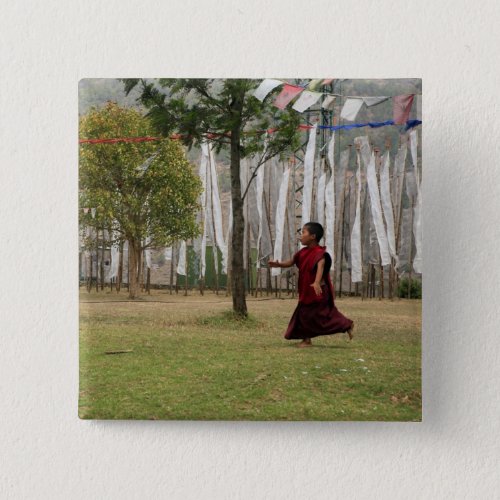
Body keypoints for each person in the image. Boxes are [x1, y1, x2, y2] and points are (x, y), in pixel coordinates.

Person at [269, 222, 354, 348]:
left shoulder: (319, 252)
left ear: (313, 236)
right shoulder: (302, 252)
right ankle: (346, 325)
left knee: (313, 315)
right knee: (313, 315)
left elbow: (321, 264)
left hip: (317, 290)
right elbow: (292, 262)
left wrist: (316, 281)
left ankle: (307, 340)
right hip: (307, 290)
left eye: (303, 232)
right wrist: (279, 265)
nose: (301, 235)